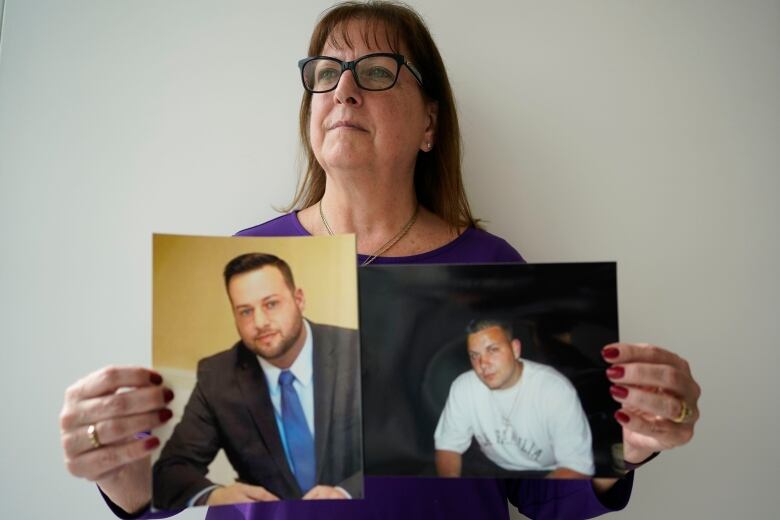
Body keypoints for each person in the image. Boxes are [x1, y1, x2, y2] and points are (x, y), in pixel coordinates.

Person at [59, 1, 701, 519]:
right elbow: (187, 476)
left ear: (428, 123)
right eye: (325, 72)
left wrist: (627, 450)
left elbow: (541, 491)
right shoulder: (242, 262)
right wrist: (123, 480)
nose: (342, 89)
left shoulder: (491, 268)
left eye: (374, 71)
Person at [152, 253, 361, 509]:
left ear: (299, 299)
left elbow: (399, 454)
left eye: (271, 304)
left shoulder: (358, 352)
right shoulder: (218, 376)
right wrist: (214, 496)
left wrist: (346, 492)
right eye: (245, 311)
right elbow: (171, 470)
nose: (260, 323)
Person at [434, 320, 594, 478]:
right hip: (489, 467)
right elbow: (448, 446)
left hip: (546, 473)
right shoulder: (464, 386)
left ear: (515, 349)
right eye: (474, 356)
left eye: (492, 350)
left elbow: (577, 467)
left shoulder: (555, 390)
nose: (483, 364)